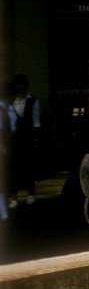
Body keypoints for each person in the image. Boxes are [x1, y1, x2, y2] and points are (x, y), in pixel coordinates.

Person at [6, 74, 41, 208]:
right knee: (14, 168)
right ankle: (14, 196)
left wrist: (35, 140)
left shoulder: (33, 101)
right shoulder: (10, 102)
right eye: (18, 86)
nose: (20, 88)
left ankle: (31, 194)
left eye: (22, 85)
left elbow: (36, 123)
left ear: (26, 86)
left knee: (29, 167)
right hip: (14, 140)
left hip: (28, 139)